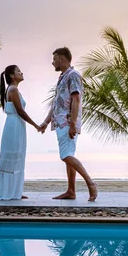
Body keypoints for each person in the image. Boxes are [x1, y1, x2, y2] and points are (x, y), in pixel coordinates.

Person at [39, 47, 97, 201]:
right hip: (60, 122)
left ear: (62, 59)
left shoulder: (73, 75)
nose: (52, 63)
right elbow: (57, 103)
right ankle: (71, 191)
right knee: (68, 155)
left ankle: (90, 183)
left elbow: (76, 99)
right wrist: (46, 122)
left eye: (54, 59)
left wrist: (72, 123)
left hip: (67, 122)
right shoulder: (63, 77)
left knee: (65, 156)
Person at [0, 65, 41, 201]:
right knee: (11, 157)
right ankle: (5, 191)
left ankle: (15, 191)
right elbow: (20, 111)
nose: (22, 73)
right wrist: (36, 125)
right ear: (12, 75)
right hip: (14, 125)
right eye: (18, 71)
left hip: (16, 125)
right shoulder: (13, 89)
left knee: (19, 157)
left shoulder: (13, 90)